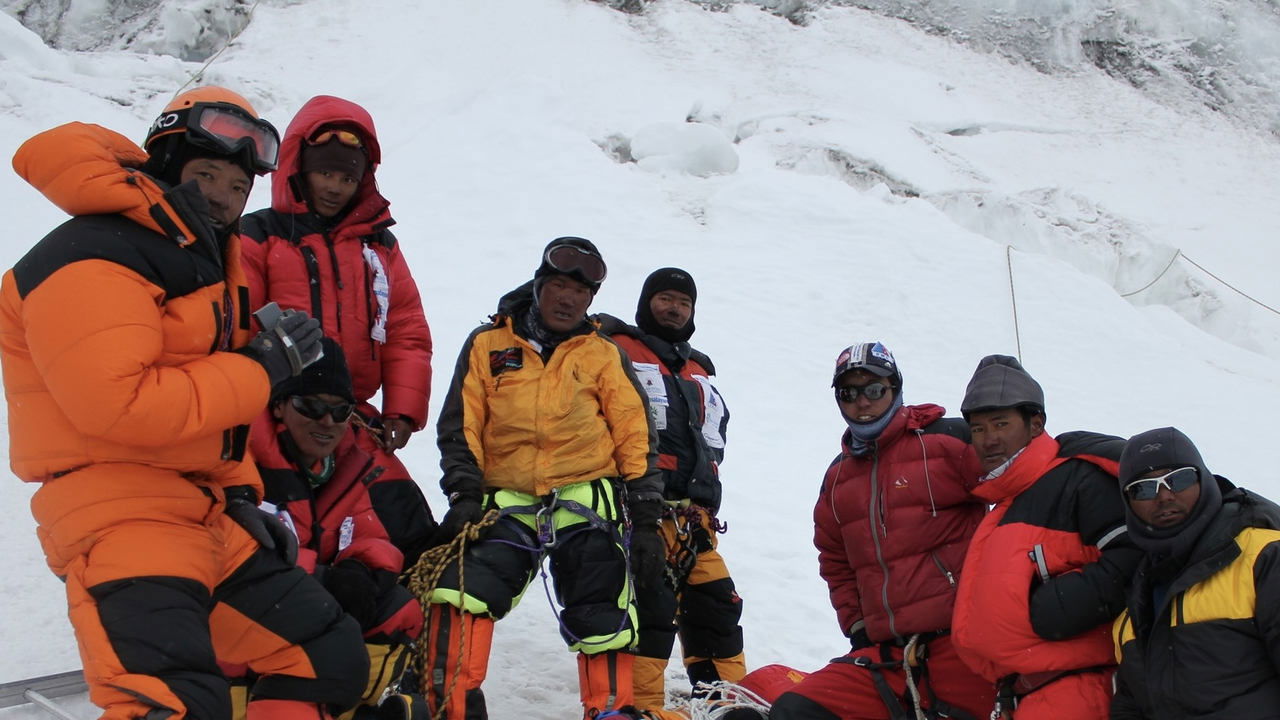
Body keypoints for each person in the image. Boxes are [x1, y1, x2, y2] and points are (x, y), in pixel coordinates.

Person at [1, 86, 368, 720]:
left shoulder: (204, 264)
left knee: (326, 655)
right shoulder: (91, 253)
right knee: (172, 703)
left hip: (197, 508)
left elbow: (211, 417)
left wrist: (239, 494)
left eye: (237, 185)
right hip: (119, 516)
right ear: (163, 166)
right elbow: (119, 408)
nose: (223, 196)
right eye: (206, 175)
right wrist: (262, 369)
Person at [429, 237, 665, 720]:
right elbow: (462, 423)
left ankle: (610, 712)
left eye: (581, 292)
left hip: (586, 493)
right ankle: (447, 703)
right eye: (558, 284)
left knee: (604, 608)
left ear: (591, 301)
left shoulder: (602, 353)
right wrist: (463, 492)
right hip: (504, 495)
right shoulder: (488, 344)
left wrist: (645, 519)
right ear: (538, 286)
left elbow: (634, 433)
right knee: (461, 591)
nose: (568, 298)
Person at [761, 342, 993, 720]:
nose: (862, 402)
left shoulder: (948, 441)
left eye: (874, 389)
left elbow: (1020, 491)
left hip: (963, 644)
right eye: (848, 393)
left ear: (896, 388)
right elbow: (834, 558)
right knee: (797, 711)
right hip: (887, 654)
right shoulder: (837, 478)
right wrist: (856, 623)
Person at [949, 355, 1142, 720]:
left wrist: (1057, 609)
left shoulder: (1077, 479)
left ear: (1035, 424)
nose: (989, 439)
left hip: (1080, 690)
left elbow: (1134, 556)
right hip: (1028, 693)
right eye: (978, 429)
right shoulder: (1006, 499)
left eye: (1001, 424)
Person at [239, 95, 432, 458]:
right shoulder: (259, 234)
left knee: (398, 508)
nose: (334, 187)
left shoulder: (379, 245)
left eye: (347, 177)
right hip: (272, 412)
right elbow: (238, 320)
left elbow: (406, 329)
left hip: (351, 416)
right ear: (299, 168)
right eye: (325, 173)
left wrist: (403, 409)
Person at [248, 338, 430, 717]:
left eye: (340, 410)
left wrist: (360, 569)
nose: (326, 421)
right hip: (247, 619)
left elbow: (371, 537)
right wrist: (326, 580)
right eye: (310, 406)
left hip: (307, 608)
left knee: (398, 609)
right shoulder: (247, 464)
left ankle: (342, 708)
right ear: (279, 405)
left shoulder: (343, 466)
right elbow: (242, 563)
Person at [597, 268, 744, 717]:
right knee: (651, 608)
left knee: (717, 605)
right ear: (647, 302)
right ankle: (638, 709)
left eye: (684, 301)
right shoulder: (613, 347)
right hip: (640, 512)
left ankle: (727, 704)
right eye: (665, 297)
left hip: (694, 519)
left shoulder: (700, 368)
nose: (674, 307)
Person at [1110, 427, 1280, 719]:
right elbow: (1131, 706)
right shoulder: (1135, 606)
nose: (1164, 496)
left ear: (1204, 479)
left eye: (1179, 479)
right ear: (1128, 503)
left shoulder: (1263, 555)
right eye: (1143, 488)